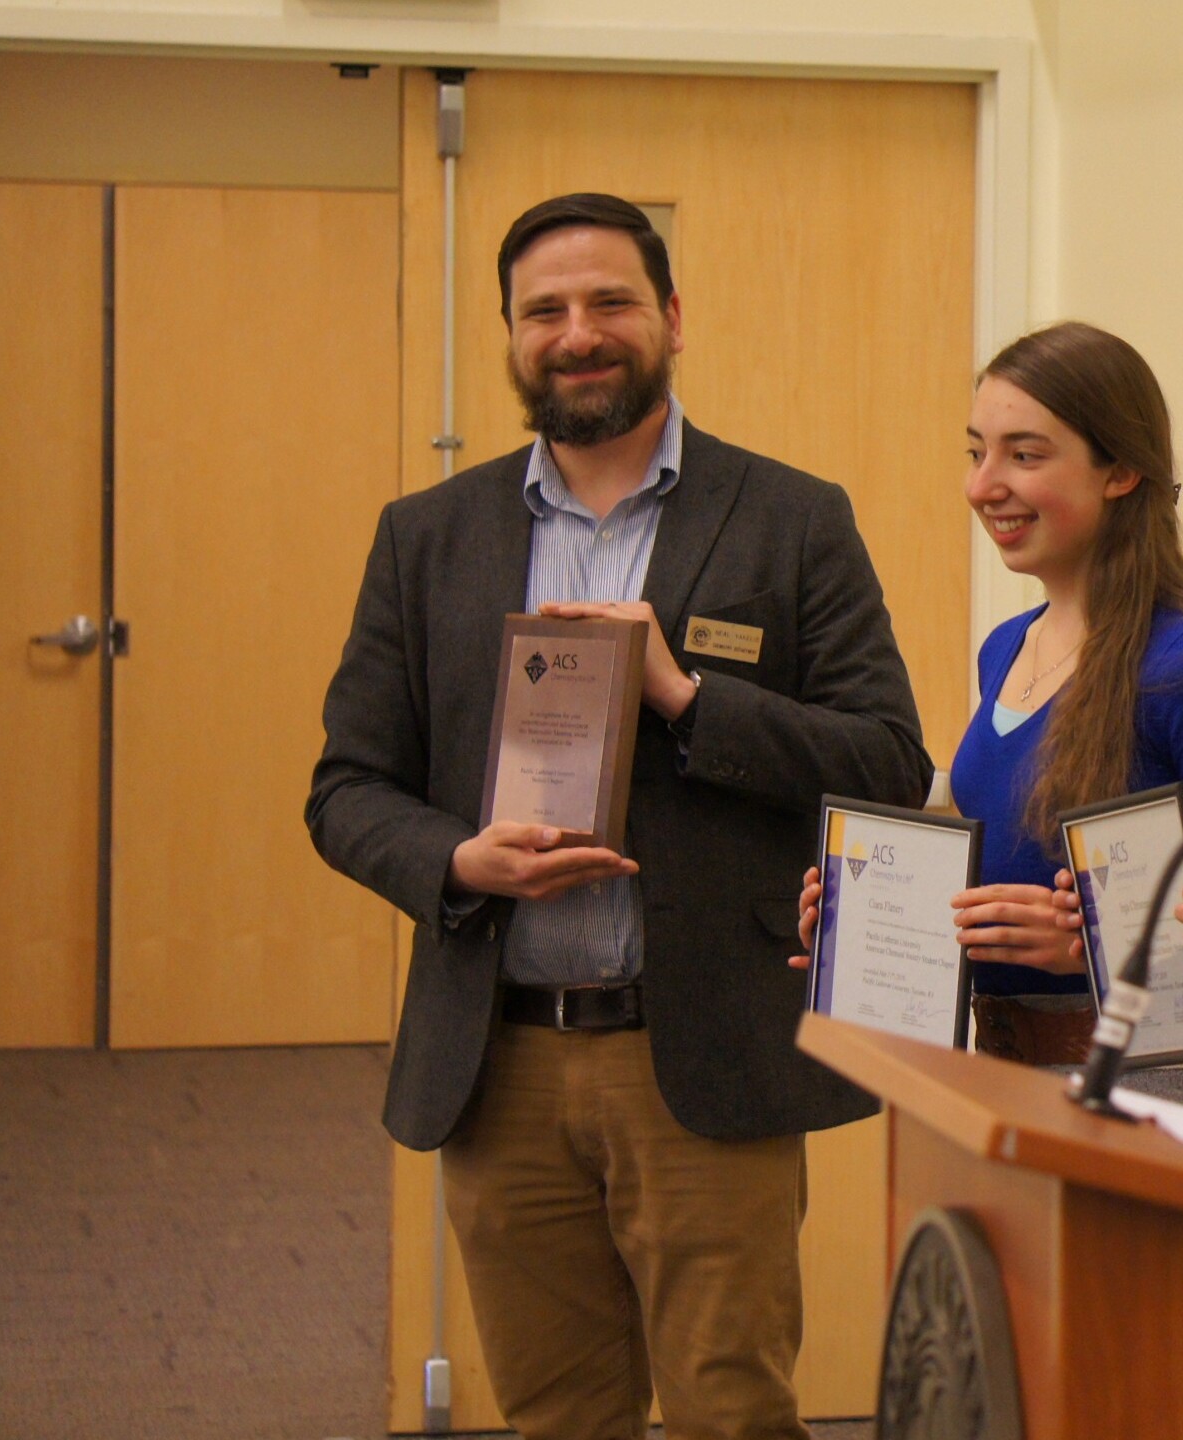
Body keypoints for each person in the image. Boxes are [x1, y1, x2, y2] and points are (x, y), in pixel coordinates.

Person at [307, 193, 932, 1440]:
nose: (577, 332)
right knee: (556, 1416)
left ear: (672, 320)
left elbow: (886, 761)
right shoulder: (427, 537)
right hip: (501, 1061)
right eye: (545, 310)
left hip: (697, 1054)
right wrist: (458, 859)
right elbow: (345, 791)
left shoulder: (791, 518)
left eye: (609, 303)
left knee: (731, 1410)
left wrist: (688, 698)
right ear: (510, 334)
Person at [800, 321, 1183, 1066]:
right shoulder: (1005, 647)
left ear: (1120, 471)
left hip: (1141, 1085)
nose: (984, 486)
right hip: (999, 1066)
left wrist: (1093, 949)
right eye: (977, 453)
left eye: (1025, 455)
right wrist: (864, 922)